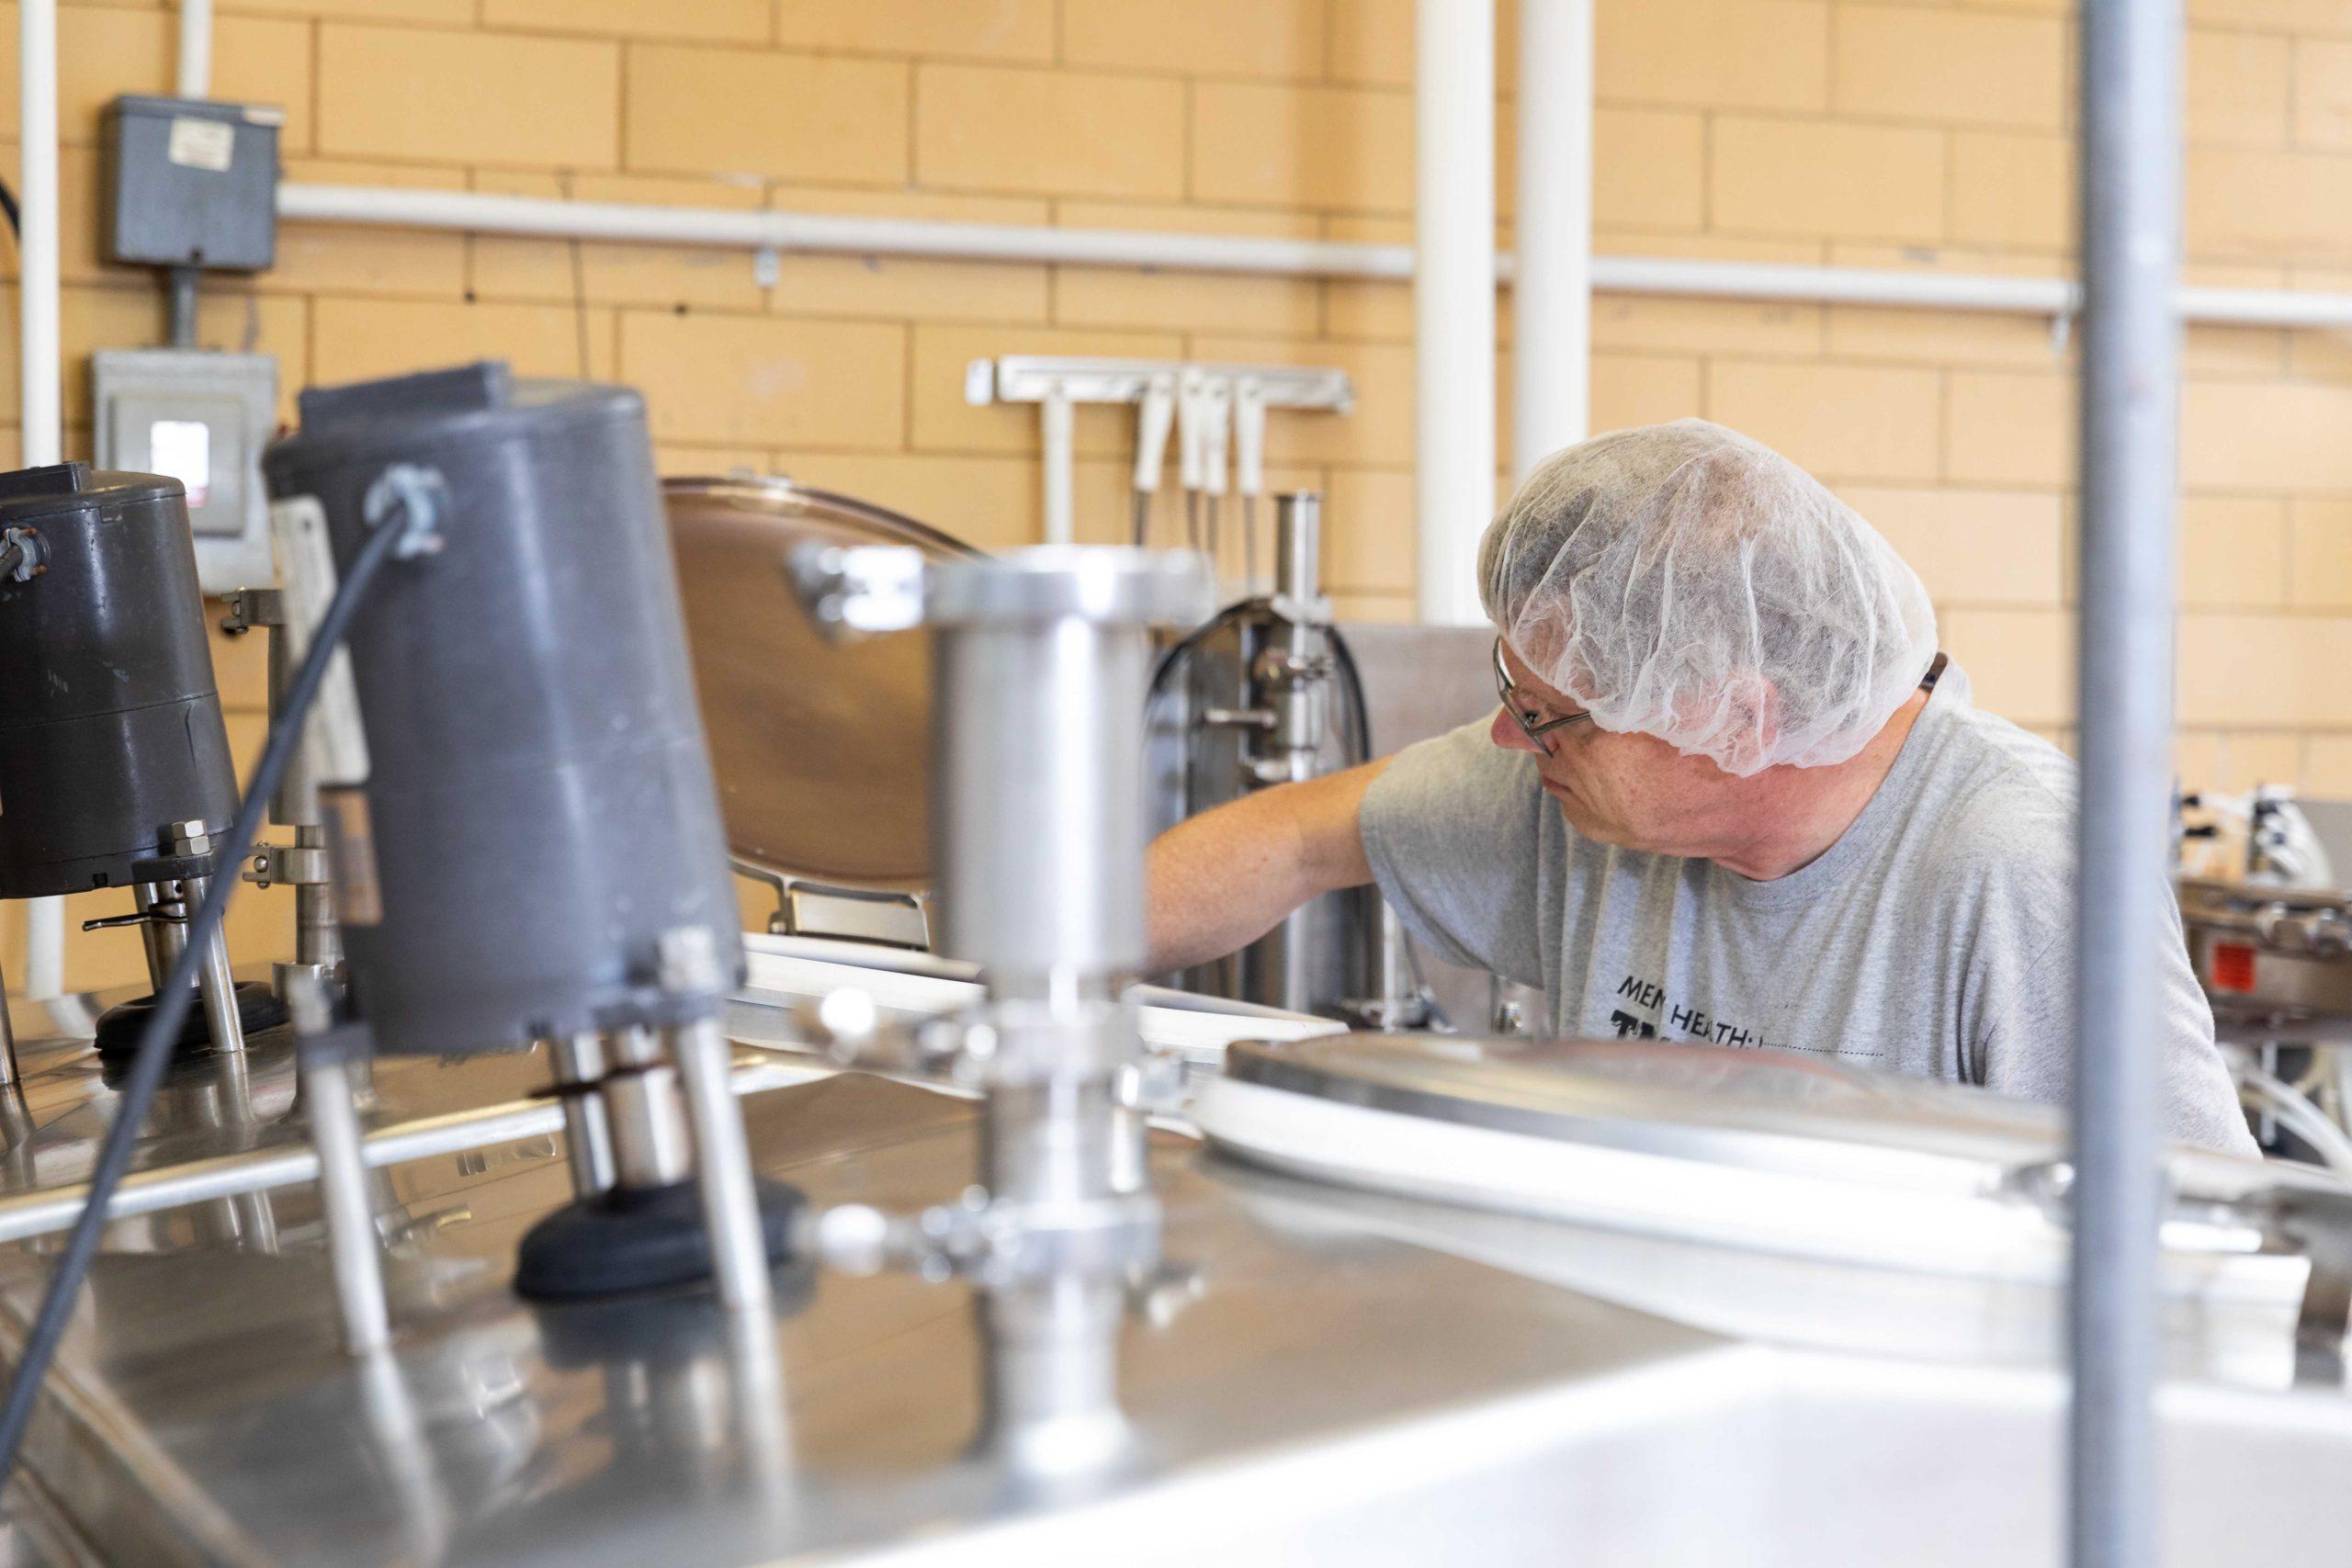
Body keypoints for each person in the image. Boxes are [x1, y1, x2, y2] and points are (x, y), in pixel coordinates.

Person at [1147, 418, 2256, 1156]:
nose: (1507, 734)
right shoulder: (1573, 800)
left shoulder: (2017, 875)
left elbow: (2197, 1238)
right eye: (1512, 687)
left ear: (1736, 719)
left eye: (1549, 714)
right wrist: (1019, 978)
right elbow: (1296, 839)